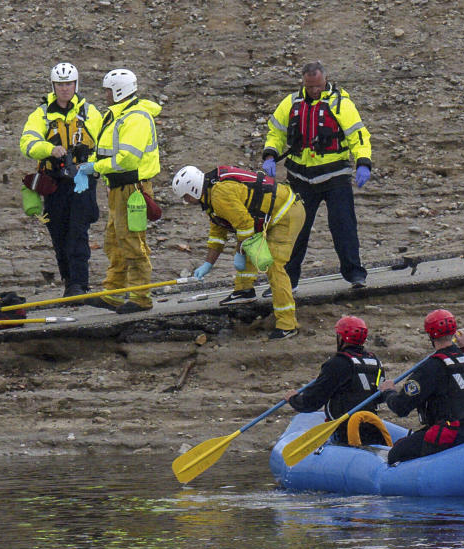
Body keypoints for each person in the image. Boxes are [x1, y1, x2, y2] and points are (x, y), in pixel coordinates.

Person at [261, 61, 372, 294]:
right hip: (301, 178)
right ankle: (287, 281)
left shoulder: (341, 103)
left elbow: (358, 136)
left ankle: (355, 274)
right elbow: (276, 133)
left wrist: (363, 162)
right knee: (295, 231)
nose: (315, 91)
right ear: (304, 82)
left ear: (325, 80)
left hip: (335, 176)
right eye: (310, 86)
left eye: (318, 86)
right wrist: (270, 155)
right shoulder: (291, 103)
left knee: (343, 227)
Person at [171, 164, 305, 340]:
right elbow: (218, 233)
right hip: (270, 215)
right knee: (247, 242)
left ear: (194, 189)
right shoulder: (210, 196)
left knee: (274, 267)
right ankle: (244, 290)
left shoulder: (219, 195)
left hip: (286, 214)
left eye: (186, 197)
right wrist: (208, 264)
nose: (186, 201)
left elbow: (245, 226)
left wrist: (240, 253)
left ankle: (287, 324)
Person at [76, 68, 161, 314]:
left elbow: (127, 160)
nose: (105, 95)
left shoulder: (136, 118)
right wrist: (88, 167)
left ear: (118, 91)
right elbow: (106, 151)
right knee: (114, 241)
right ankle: (113, 293)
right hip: (118, 189)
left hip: (132, 189)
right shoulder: (117, 116)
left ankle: (140, 297)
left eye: (107, 91)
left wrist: (95, 167)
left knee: (132, 242)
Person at [19, 62, 102, 298]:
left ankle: (79, 283)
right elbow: (27, 143)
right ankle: (68, 280)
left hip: (82, 179)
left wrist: (89, 166)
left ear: (76, 84)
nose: (65, 89)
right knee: (58, 231)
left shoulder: (90, 113)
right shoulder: (42, 114)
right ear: (53, 86)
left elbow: (104, 144)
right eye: (60, 84)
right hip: (54, 181)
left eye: (68, 84)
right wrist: (49, 149)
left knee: (78, 230)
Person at [379, 309, 464, 465]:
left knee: (396, 453)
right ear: (454, 332)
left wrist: (388, 392)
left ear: (430, 335)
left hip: (452, 433)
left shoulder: (432, 366)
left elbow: (401, 407)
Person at [283, 316, 390, 445]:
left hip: (346, 431)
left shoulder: (337, 363)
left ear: (341, 338)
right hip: (372, 427)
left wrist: (293, 399)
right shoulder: (376, 362)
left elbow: (311, 402)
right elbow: (379, 396)